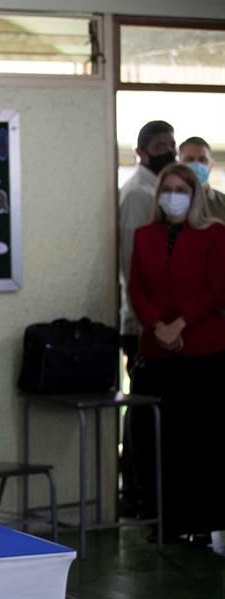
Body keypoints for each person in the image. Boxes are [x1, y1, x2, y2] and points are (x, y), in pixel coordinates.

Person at [127, 162, 225, 543]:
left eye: (181, 189)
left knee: (200, 442)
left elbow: (216, 290)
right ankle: (161, 522)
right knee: (156, 440)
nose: (173, 196)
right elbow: (136, 288)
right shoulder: (143, 235)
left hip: (203, 351)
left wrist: (180, 325)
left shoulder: (214, 235)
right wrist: (158, 327)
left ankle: (200, 523)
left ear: (194, 194)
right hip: (157, 353)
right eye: (167, 189)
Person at [118, 120, 176, 371]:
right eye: (160, 146)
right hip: (144, 320)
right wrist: (146, 318)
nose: (169, 151)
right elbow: (132, 262)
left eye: (172, 145)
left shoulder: (165, 190)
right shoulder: (137, 194)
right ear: (141, 152)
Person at [178, 136, 225, 222]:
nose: (197, 164)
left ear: (211, 165)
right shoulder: (170, 201)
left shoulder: (223, 202)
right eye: (189, 160)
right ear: (178, 165)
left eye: (202, 160)